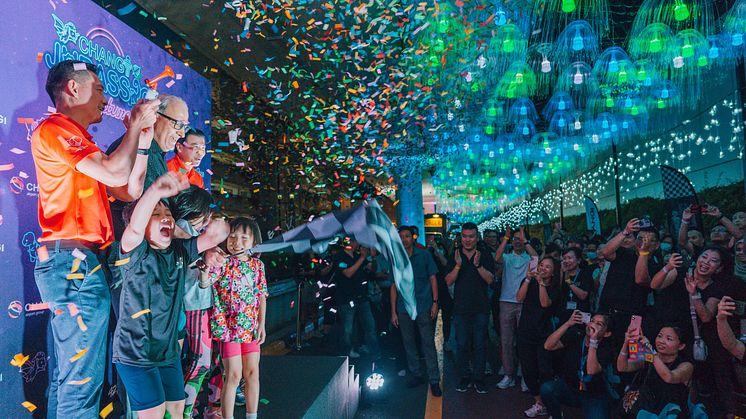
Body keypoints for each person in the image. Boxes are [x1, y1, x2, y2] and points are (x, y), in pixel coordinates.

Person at [31, 59, 159, 417]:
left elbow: (129, 188)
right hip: (72, 262)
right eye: (99, 89)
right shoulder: (55, 129)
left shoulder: (83, 143)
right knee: (80, 384)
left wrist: (143, 142)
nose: (105, 99)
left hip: (81, 263)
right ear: (73, 88)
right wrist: (133, 129)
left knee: (70, 378)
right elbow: (115, 169)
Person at [109, 172, 228, 419]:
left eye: (168, 215)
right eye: (156, 214)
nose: (166, 219)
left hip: (168, 352)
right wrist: (155, 191)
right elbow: (134, 228)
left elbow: (214, 235)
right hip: (136, 353)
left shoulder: (180, 252)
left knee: (174, 412)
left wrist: (219, 228)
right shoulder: (135, 251)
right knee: (153, 414)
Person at [107, 94, 190, 239]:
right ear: (155, 116)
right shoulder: (139, 149)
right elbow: (146, 212)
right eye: (178, 124)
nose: (182, 133)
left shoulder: (156, 154)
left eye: (185, 126)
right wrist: (194, 245)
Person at [209, 217, 268, 419]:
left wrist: (262, 323)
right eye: (232, 236)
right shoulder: (220, 262)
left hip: (250, 327)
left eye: (244, 237)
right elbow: (206, 282)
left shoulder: (258, 265)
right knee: (233, 375)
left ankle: (252, 416)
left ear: (254, 241)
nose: (237, 242)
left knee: (252, 373)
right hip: (227, 328)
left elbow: (261, 295)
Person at [169, 186, 218, 418]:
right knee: (201, 361)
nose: (208, 219)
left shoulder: (192, 231)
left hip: (196, 305)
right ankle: (184, 411)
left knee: (201, 361)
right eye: (205, 214)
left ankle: (189, 408)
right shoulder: (184, 231)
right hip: (193, 305)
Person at [445, 222, 496, 394]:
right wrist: (458, 265)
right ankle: (464, 377)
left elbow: (490, 280)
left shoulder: (484, 254)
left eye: (471, 236)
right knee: (462, 345)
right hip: (460, 308)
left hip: (481, 308)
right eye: (465, 236)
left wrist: (478, 265)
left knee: (480, 345)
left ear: (477, 237)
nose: (467, 240)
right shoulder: (455, 255)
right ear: (461, 237)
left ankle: (479, 379)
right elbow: (448, 281)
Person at [391, 227, 442, 396]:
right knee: (409, 342)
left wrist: (435, 303)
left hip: (423, 305)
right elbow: (394, 286)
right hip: (403, 308)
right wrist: (393, 311)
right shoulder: (396, 259)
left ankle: (434, 380)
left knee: (427, 342)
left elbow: (433, 278)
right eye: (401, 237)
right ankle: (416, 374)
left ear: (412, 238)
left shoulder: (424, 255)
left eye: (407, 236)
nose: (404, 239)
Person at [541, 312, 617, 419]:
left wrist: (593, 341)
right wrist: (567, 324)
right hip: (570, 388)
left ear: (607, 333)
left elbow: (591, 370)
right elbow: (548, 346)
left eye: (599, 324)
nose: (593, 325)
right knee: (546, 388)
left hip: (594, 396)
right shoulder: (577, 335)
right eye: (592, 321)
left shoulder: (607, 349)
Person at [516, 257, 561, 417]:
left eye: (548, 267)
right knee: (528, 370)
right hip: (525, 332)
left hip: (543, 334)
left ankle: (549, 403)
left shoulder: (556, 287)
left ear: (554, 272)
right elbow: (519, 298)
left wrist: (541, 282)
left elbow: (545, 303)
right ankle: (539, 402)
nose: (543, 268)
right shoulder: (529, 281)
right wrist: (528, 278)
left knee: (545, 370)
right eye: (541, 265)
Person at [616, 324, 693, 418]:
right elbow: (622, 367)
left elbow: (669, 377)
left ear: (681, 346)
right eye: (660, 336)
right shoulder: (648, 358)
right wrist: (626, 343)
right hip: (644, 411)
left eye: (669, 339)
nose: (661, 341)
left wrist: (651, 353)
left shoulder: (686, 366)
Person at [494, 225, 538, 390]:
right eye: (515, 239)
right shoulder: (507, 257)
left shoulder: (529, 259)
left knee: (524, 341)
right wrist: (506, 237)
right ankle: (509, 374)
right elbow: (496, 258)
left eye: (520, 239)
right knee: (506, 341)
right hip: (505, 301)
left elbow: (536, 257)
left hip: (525, 303)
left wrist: (524, 239)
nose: (517, 242)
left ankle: (526, 375)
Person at [597, 219, 651, 348]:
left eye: (631, 237)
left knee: (635, 356)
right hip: (607, 312)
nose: (627, 240)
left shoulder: (653, 262)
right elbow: (604, 252)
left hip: (633, 317)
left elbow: (641, 279)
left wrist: (643, 253)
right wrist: (625, 232)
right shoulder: (623, 253)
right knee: (603, 352)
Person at [333, 238, 379, 358]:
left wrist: (373, 258)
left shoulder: (358, 256)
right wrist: (362, 258)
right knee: (348, 328)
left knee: (370, 325)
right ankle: (346, 352)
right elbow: (348, 273)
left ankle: (373, 350)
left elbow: (372, 269)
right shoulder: (340, 256)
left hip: (362, 297)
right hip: (346, 298)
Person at [558, 247, 594, 324]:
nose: (566, 261)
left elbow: (583, 296)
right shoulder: (561, 274)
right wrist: (562, 272)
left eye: (569, 258)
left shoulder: (585, 274)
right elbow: (558, 291)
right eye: (564, 258)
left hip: (581, 316)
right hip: (565, 316)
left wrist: (569, 281)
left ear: (578, 260)